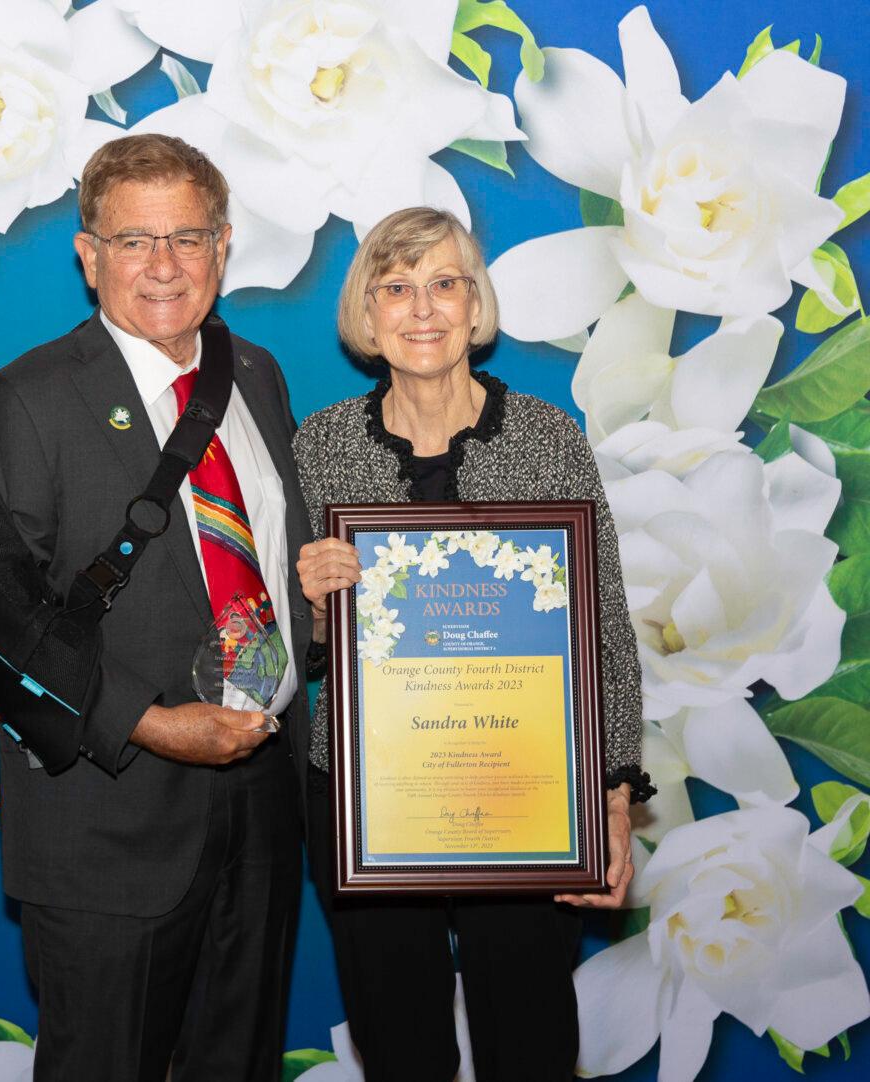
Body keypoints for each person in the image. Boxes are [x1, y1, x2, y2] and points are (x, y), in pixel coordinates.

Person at [0, 134, 315, 1081]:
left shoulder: (256, 374)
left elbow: (261, 561)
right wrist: (152, 724)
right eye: (133, 241)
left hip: (263, 805)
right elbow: (0, 623)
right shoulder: (29, 398)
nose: (164, 266)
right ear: (90, 257)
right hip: (111, 818)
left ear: (223, 246)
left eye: (187, 238)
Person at [293, 206, 654, 1082]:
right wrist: (314, 609)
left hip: (526, 790)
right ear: (367, 314)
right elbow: (293, 648)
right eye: (397, 287)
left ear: (476, 303)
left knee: (530, 1041)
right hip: (371, 796)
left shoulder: (547, 437)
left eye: (445, 284)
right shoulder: (319, 446)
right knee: (398, 1046)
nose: (423, 309)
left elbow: (603, 627)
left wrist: (611, 795)